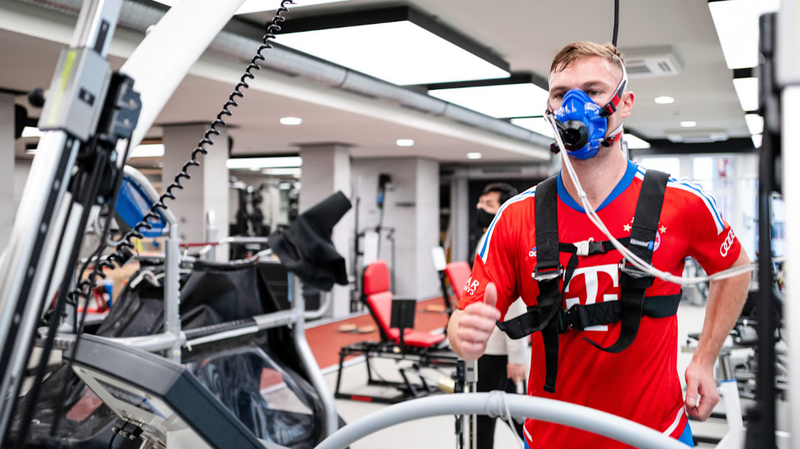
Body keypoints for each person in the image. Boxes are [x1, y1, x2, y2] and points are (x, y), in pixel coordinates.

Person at [447, 41, 751, 449]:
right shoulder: (516, 217)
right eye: (560, 94)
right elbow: (464, 316)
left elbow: (735, 268)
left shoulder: (679, 203)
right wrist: (459, 332)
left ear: (624, 103)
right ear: (550, 109)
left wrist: (705, 358)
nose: (574, 105)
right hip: (552, 437)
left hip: (657, 435)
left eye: (591, 91)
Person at [474, 183, 527, 448]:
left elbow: (515, 304)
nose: (480, 209)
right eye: (481, 203)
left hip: (498, 348)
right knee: (496, 410)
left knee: (493, 412)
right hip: (487, 345)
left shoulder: (502, 239)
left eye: (489, 205)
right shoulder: (487, 237)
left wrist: (517, 358)